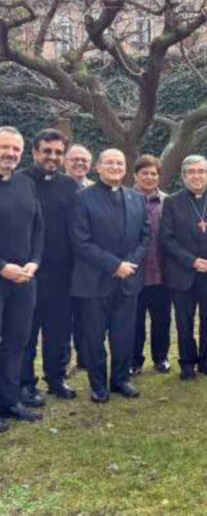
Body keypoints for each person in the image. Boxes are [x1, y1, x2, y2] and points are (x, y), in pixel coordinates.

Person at [70, 149, 151, 402]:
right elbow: (80, 241)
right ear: (98, 167)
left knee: (124, 334)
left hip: (128, 280)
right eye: (110, 163)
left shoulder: (137, 198)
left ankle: (120, 379)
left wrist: (130, 264)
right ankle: (98, 385)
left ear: (125, 168)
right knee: (94, 337)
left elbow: (145, 236)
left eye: (119, 163)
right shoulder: (82, 198)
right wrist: (115, 265)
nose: (115, 167)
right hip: (94, 281)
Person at [160, 155, 207, 380]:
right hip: (183, 272)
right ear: (184, 176)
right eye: (191, 172)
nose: (196, 176)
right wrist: (192, 261)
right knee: (184, 321)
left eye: (201, 171)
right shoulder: (172, 202)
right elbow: (167, 239)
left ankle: (206, 360)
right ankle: (186, 362)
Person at [20, 129, 79, 406]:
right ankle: (25, 384)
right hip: (27, 273)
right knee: (26, 333)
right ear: (35, 152)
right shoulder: (19, 182)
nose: (52, 157)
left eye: (58, 152)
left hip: (61, 274)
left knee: (59, 331)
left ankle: (56, 378)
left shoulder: (70, 186)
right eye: (47, 151)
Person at [0, 126, 44, 429]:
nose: (10, 153)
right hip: (2, 274)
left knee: (17, 341)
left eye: (16, 149)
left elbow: (39, 227)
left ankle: (10, 401)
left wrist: (34, 262)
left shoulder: (25, 183)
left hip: (25, 279)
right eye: (5, 147)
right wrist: (2, 266)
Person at [131, 155, 171, 375]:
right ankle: (134, 360)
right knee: (134, 321)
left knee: (162, 319)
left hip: (162, 272)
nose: (149, 177)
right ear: (136, 175)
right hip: (134, 272)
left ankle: (161, 358)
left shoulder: (168, 201)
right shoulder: (126, 199)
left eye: (153, 173)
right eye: (144, 173)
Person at [64, 143, 92, 372]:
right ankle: (63, 361)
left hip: (89, 264)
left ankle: (85, 357)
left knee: (86, 315)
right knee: (62, 317)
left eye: (84, 160)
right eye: (75, 159)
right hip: (60, 264)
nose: (80, 163)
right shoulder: (55, 187)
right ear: (65, 161)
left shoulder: (95, 189)